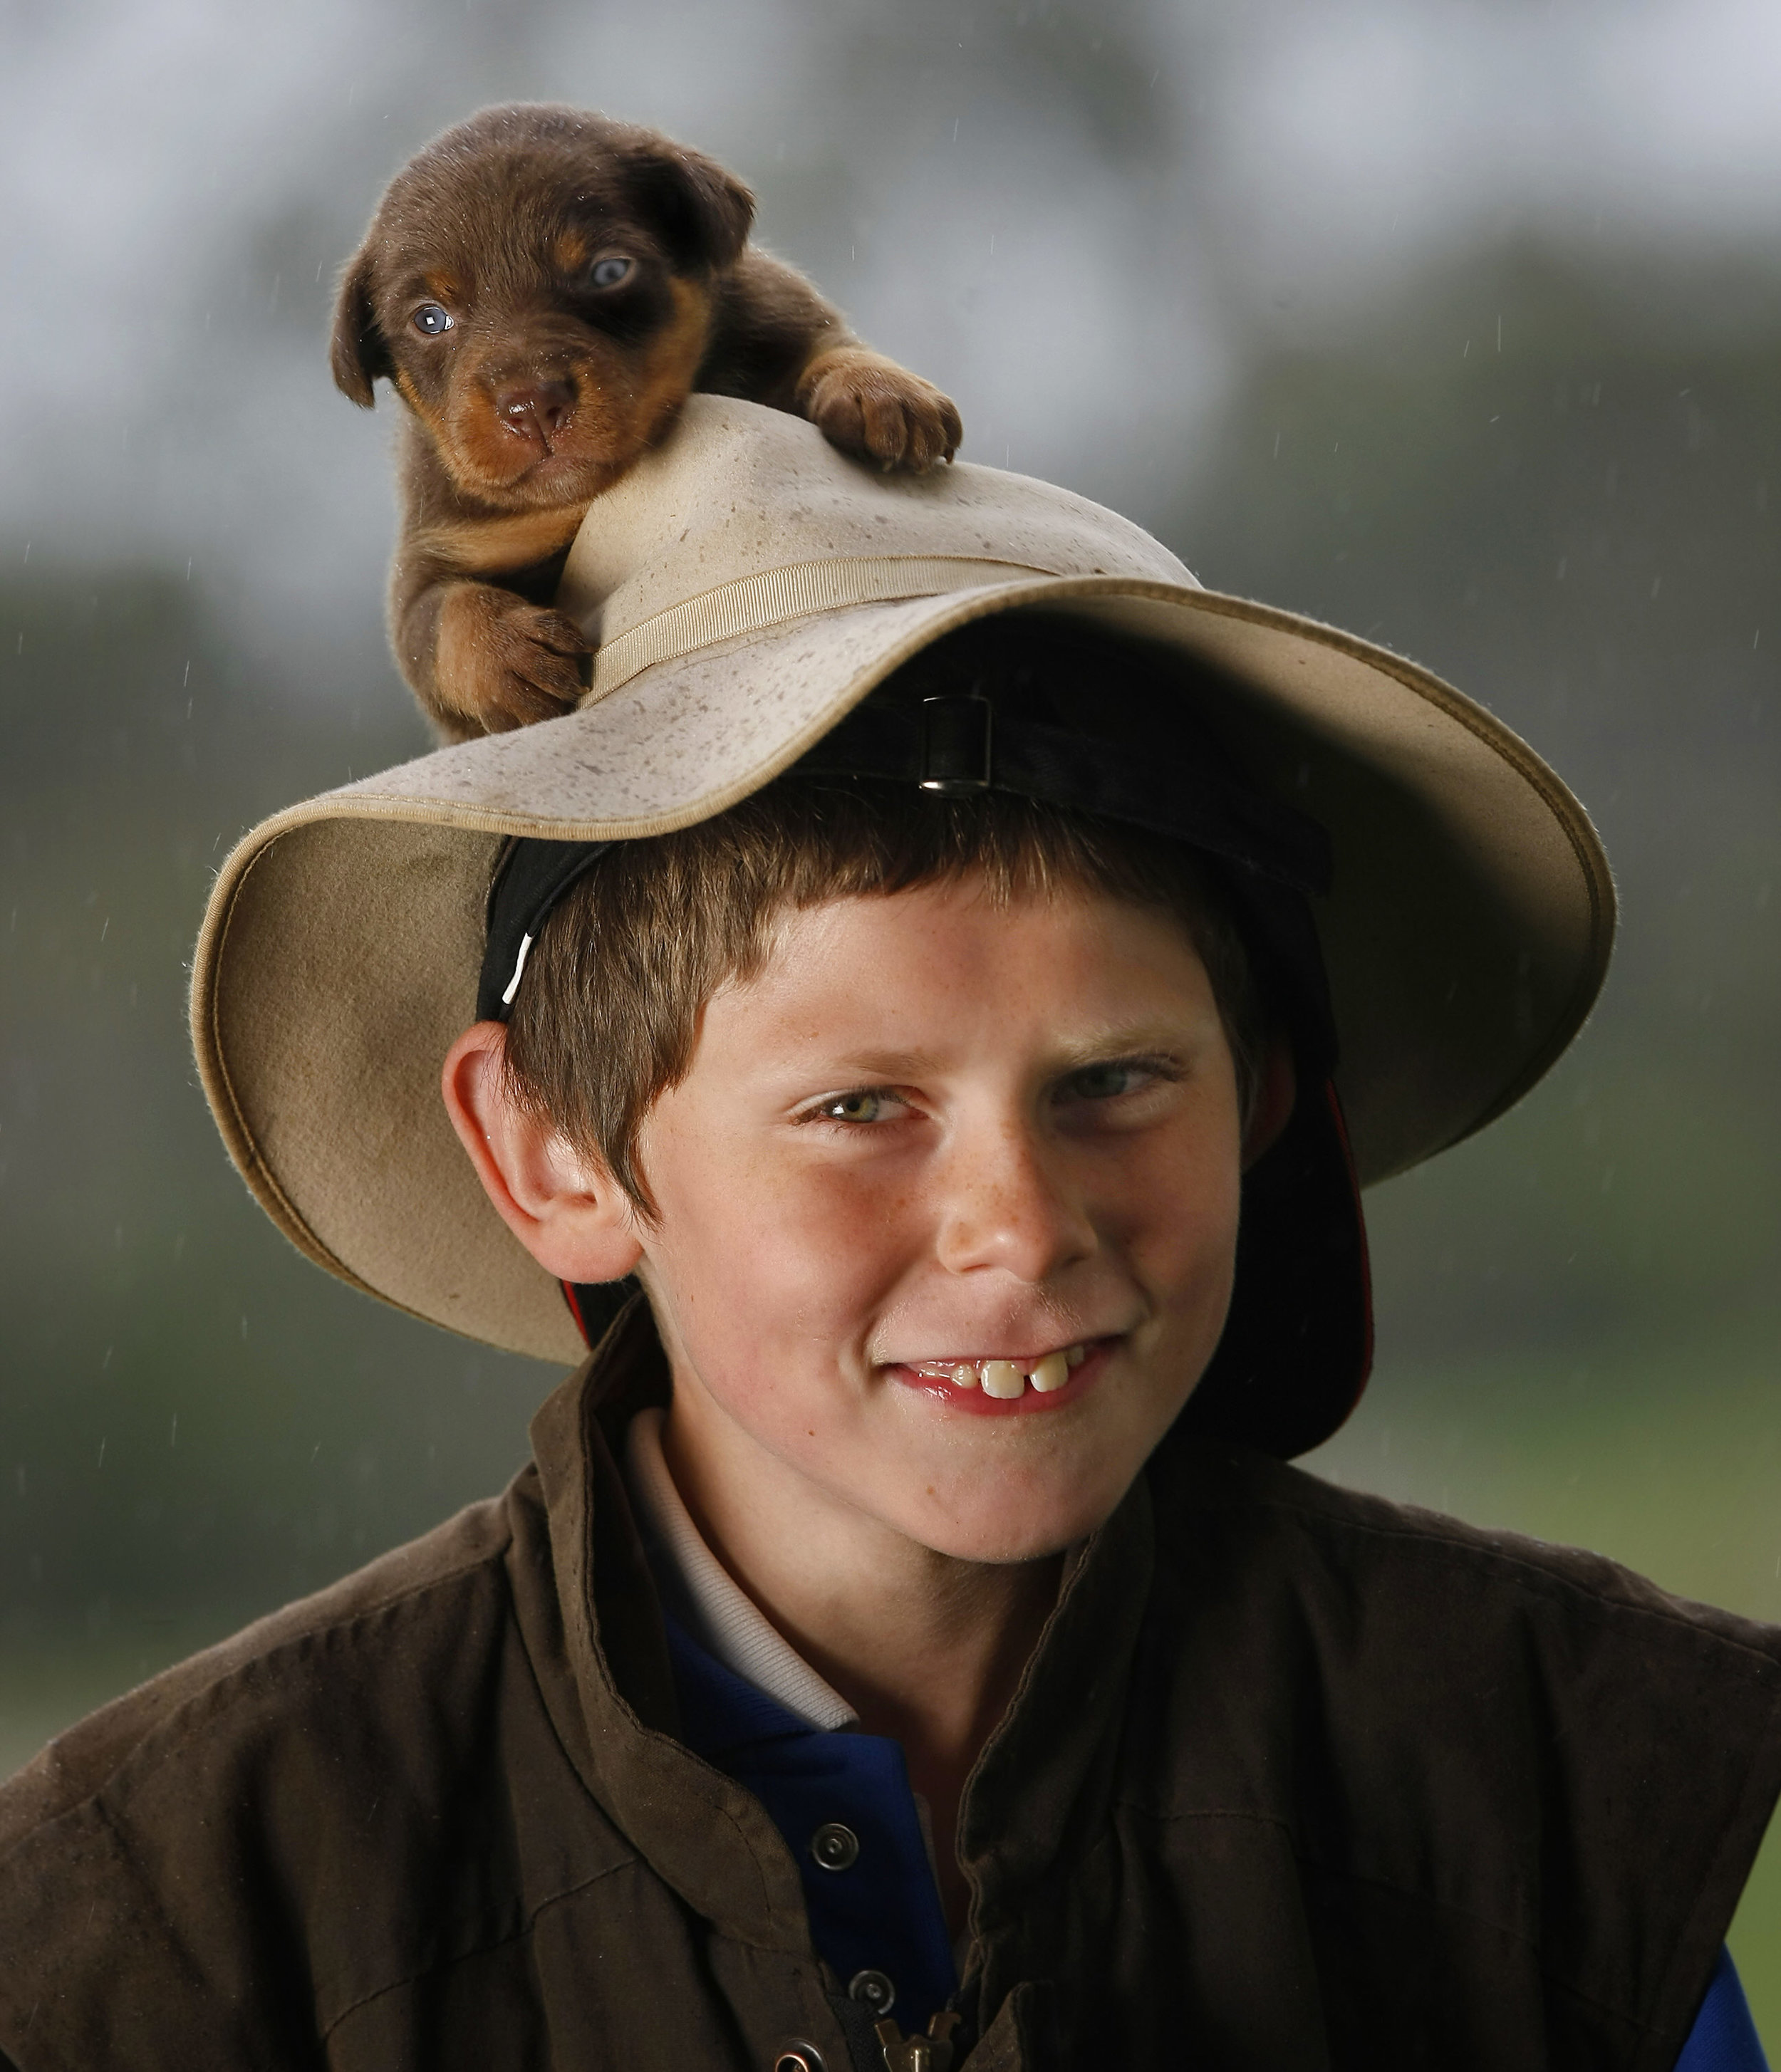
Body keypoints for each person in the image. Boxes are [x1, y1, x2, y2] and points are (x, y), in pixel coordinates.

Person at [0, 397, 1772, 2071]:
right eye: (859, 1109)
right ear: (548, 1151)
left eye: (1114, 1081)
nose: (1020, 1230)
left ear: (1262, 1093)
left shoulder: (1539, 1776)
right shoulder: (168, 1924)